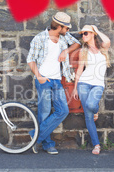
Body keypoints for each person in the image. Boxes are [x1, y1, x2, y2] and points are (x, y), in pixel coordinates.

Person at [27, 12, 81, 155]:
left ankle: (35, 136)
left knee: (63, 110)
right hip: (44, 80)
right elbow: (30, 59)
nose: (68, 30)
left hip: (57, 80)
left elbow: (77, 43)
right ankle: (48, 144)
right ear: (59, 26)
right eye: (67, 28)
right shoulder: (40, 38)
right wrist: (39, 76)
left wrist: (66, 51)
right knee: (44, 113)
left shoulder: (63, 37)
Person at [73, 25, 111, 155]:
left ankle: (96, 110)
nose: (83, 36)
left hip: (98, 84)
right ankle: (96, 145)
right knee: (88, 116)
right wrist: (75, 88)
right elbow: (79, 70)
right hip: (83, 83)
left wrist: (97, 29)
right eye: (82, 34)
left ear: (93, 34)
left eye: (86, 33)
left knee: (90, 105)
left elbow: (107, 41)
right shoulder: (83, 51)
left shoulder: (103, 49)